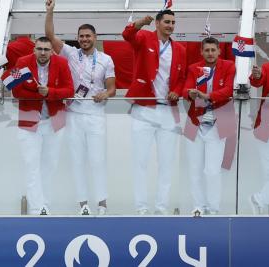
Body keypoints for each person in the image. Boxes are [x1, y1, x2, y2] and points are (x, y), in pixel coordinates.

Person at [45, 0, 116, 215]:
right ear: (77, 38)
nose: (85, 39)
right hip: (74, 113)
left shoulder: (106, 59)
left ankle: (102, 202)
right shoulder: (70, 53)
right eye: (81, 36)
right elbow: (49, 35)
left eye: (88, 36)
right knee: (77, 160)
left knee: (97, 160)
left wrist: (105, 93)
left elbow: (112, 88)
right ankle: (82, 203)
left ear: (95, 38)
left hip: (96, 115)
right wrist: (50, 12)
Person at [122, 9, 187, 215]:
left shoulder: (181, 49)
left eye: (173, 22)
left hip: (168, 111)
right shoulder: (144, 38)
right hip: (144, 108)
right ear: (157, 23)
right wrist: (141, 22)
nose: (170, 25)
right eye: (167, 21)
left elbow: (183, 78)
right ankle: (141, 207)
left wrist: (177, 91)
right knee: (140, 161)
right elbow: (127, 35)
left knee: (166, 163)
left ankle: (161, 208)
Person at [11, 36, 74, 215]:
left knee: (50, 167)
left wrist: (50, 92)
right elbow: (16, 90)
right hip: (29, 122)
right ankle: (35, 209)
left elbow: (69, 90)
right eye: (40, 49)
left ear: (51, 51)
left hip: (55, 122)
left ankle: (46, 207)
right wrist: (40, 94)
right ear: (34, 49)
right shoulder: (22, 62)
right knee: (31, 167)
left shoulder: (61, 63)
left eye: (46, 49)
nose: (43, 53)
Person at [183, 37, 236, 215]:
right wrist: (190, 93)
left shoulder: (229, 66)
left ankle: (213, 208)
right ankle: (198, 206)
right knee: (194, 170)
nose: (210, 53)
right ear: (201, 52)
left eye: (213, 50)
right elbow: (186, 90)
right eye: (207, 50)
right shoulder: (193, 68)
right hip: (194, 123)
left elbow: (228, 91)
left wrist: (206, 96)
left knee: (212, 170)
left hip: (219, 123)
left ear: (219, 51)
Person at [249, 60, 269, 214]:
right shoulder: (267, 67)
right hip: (266, 127)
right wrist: (257, 75)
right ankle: (260, 200)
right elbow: (257, 80)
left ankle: (260, 199)